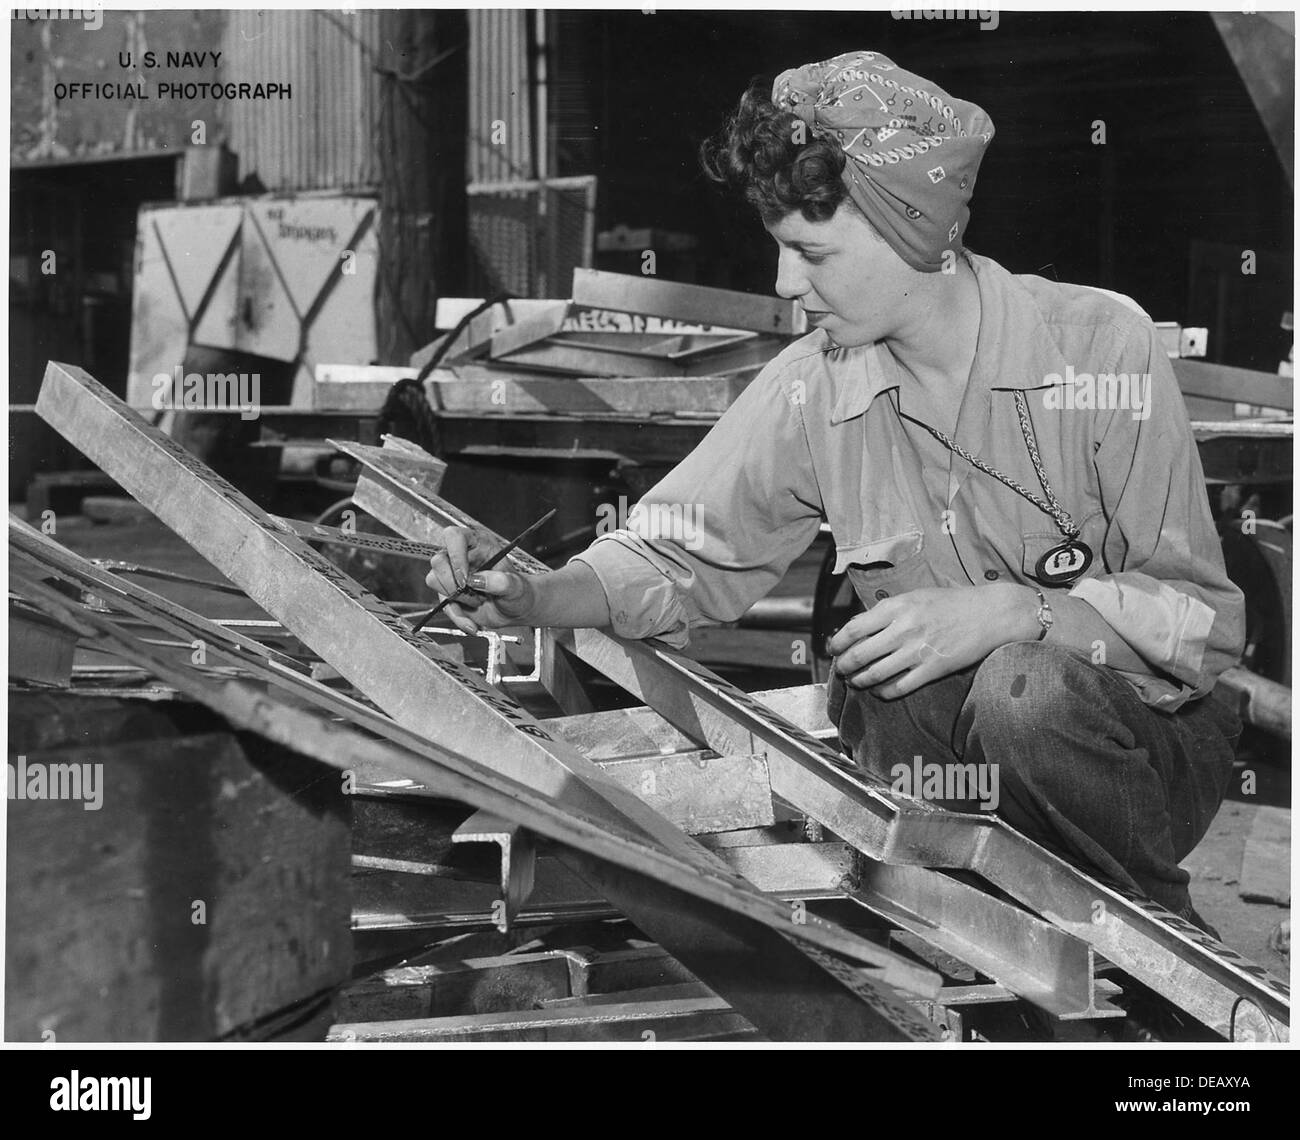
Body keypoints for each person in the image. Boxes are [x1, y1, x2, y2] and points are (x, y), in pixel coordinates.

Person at [425, 50, 1245, 930]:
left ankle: (1166, 964)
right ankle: (972, 935)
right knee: (883, 679)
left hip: (1146, 744)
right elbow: (675, 546)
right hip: (960, 755)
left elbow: (1201, 626)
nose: (784, 286)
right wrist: (538, 595)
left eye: (808, 251)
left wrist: (1023, 613)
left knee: (1024, 690)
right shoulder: (814, 383)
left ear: (913, 234)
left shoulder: (1098, 348)